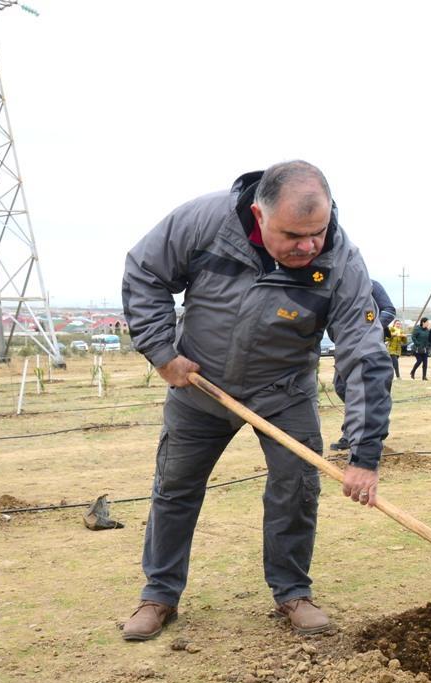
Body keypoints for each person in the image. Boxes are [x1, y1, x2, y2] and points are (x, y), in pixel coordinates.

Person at [120, 161, 393, 641]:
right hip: (199, 386)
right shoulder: (203, 224)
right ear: (259, 215)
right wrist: (163, 354)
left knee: (296, 490)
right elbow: (145, 272)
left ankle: (292, 591)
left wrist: (364, 456)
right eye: (293, 235)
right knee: (175, 489)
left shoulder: (342, 262)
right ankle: (159, 594)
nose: (308, 247)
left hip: (284, 392)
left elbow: (364, 356)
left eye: (318, 232)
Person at [330, 280, 396, 451]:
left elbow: (389, 310)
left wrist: (371, 329)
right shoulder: (338, 288)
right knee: (342, 388)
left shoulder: (372, 285)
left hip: (370, 347)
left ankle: (369, 435)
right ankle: (352, 432)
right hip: (345, 346)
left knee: (372, 392)